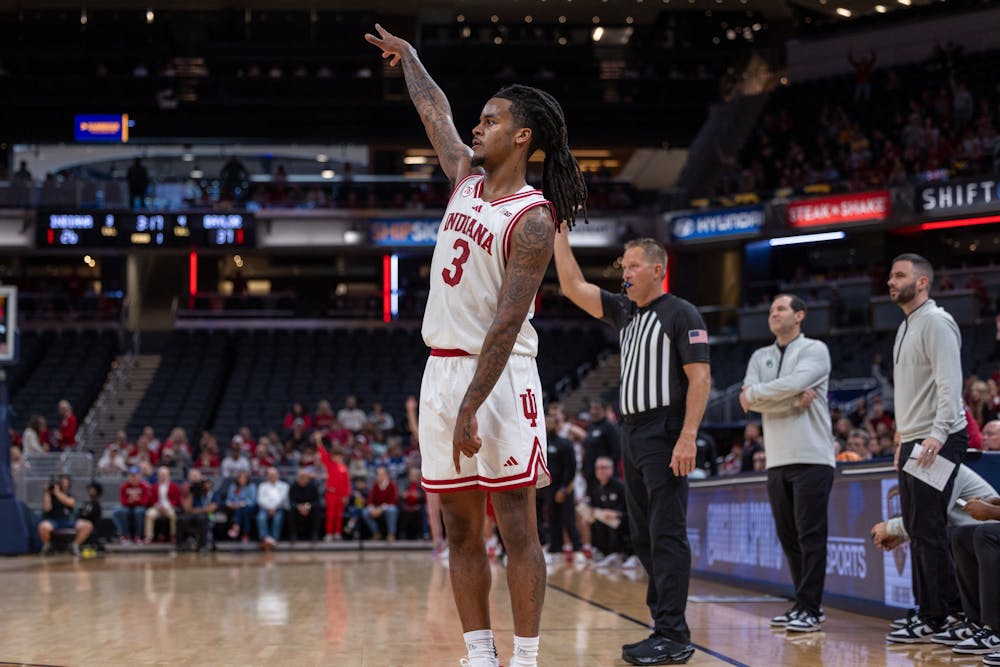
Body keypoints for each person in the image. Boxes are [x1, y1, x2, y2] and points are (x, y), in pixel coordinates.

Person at [365, 22, 588, 667]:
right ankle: (478, 653)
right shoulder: (463, 177)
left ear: (522, 136)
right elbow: (435, 110)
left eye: (490, 121)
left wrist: (471, 405)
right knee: (459, 529)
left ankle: (526, 657)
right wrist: (409, 59)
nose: (477, 129)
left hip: (501, 378)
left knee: (516, 525)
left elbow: (506, 323)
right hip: (441, 370)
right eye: (480, 119)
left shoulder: (534, 217)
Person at [553, 235, 710, 666]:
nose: (625, 274)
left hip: (666, 429)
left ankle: (673, 634)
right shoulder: (626, 313)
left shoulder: (681, 313)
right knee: (642, 536)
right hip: (633, 432)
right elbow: (572, 286)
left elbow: (700, 379)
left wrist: (688, 435)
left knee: (666, 534)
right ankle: (662, 627)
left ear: (658, 269)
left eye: (634, 267)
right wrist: (559, 236)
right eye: (624, 268)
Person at [739, 294, 836, 633]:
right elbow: (746, 398)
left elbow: (777, 389)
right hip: (776, 460)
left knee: (811, 536)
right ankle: (803, 604)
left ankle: (811, 607)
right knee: (788, 535)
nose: (773, 314)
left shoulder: (815, 350)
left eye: (780, 308)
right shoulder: (759, 356)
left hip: (812, 456)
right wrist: (792, 402)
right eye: (770, 309)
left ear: (799, 316)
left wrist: (763, 397)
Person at [886, 253, 969, 643]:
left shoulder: (935, 322)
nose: (891, 281)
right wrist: (902, 438)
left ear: (922, 282)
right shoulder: (907, 326)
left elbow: (950, 383)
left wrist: (936, 434)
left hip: (939, 438)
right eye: (890, 275)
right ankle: (929, 612)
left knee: (930, 527)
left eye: (899, 275)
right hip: (916, 439)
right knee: (918, 528)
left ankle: (947, 614)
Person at [544, 408, 582, 563]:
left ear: (556, 424)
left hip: (564, 488)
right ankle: (555, 550)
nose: (547, 425)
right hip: (549, 489)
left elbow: (571, 468)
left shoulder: (565, 443)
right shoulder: (543, 443)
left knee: (569, 520)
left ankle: (578, 550)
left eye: (550, 422)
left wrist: (565, 488)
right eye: (545, 422)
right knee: (552, 520)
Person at [38, 474, 93, 556]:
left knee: (87, 525)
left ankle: (75, 545)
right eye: (63, 482)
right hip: (53, 520)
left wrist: (57, 493)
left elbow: (70, 503)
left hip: (67, 521)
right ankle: (48, 546)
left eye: (66, 482)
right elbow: (47, 508)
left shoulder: (69, 495)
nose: (65, 484)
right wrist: (47, 493)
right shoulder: (51, 495)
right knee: (43, 527)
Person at [144, 466, 181, 544]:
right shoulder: (154, 486)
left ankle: (173, 535)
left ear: (168, 476)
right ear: (158, 476)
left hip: (169, 507)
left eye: (164, 474)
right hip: (157, 508)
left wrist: (168, 506)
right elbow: (152, 500)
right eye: (161, 475)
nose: (163, 476)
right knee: (149, 514)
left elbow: (176, 499)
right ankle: (149, 536)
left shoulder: (174, 486)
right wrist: (157, 506)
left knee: (173, 515)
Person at [114, 466, 151, 544]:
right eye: (131, 476)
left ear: (139, 476)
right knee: (119, 511)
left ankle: (138, 536)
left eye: (135, 475)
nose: (133, 478)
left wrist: (136, 500)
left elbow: (145, 502)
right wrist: (131, 500)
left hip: (139, 507)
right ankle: (125, 536)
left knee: (139, 511)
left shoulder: (144, 486)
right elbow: (123, 502)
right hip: (128, 507)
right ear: (129, 476)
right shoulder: (124, 486)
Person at [256, 467, 289, 550]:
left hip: (278, 508)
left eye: (274, 475)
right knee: (261, 518)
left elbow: (283, 499)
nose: (272, 477)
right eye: (270, 475)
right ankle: (265, 539)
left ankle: (274, 539)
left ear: (278, 475)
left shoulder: (284, 486)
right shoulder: (262, 486)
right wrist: (269, 508)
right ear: (267, 476)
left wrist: (274, 508)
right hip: (265, 508)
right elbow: (260, 500)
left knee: (278, 519)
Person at [288, 468, 320, 543]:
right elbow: (291, 501)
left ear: (308, 478)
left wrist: (307, 506)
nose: (302, 479)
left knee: (317, 510)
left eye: (304, 477)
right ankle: (293, 535)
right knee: (290, 511)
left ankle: (314, 535)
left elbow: (316, 501)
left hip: (309, 508)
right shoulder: (293, 486)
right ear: (297, 478)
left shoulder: (313, 487)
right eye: (300, 477)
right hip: (297, 509)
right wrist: (298, 507)